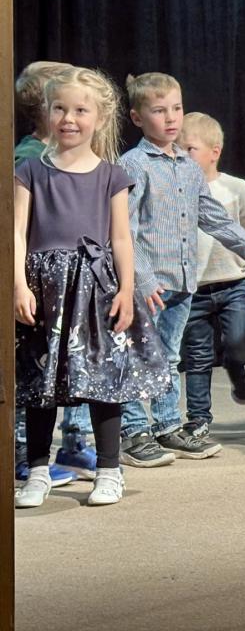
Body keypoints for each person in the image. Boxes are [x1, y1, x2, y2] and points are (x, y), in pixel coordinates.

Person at [14, 67, 169, 507]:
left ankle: (109, 469)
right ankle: (38, 471)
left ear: (99, 118)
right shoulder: (29, 170)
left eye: (80, 110)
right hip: (43, 291)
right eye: (59, 108)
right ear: (46, 112)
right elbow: (17, 233)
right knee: (41, 382)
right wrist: (18, 286)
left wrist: (126, 290)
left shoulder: (110, 175)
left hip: (95, 290)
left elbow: (121, 237)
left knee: (104, 381)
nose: (69, 118)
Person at [119, 73, 245, 466]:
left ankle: (167, 425)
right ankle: (134, 431)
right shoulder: (133, 165)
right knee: (137, 356)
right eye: (159, 110)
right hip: (148, 284)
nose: (171, 118)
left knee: (168, 357)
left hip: (183, 281)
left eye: (177, 108)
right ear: (137, 117)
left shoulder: (188, 164)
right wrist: (141, 278)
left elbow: (210, 213)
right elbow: (123, 229)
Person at [13, 59, 82, 487]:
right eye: (65, 103)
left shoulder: (65, 156)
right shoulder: (29, 158)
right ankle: (24, 455)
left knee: (71, 363)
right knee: (34, 368)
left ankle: (72, 442)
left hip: (67, 276)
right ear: (46, 107)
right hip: (36, 276)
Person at [178, 112, 245, 442]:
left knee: (238, 342)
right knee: (197, 356)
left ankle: (236, 367)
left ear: (214, 151)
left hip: (233, 283)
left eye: (189, 149)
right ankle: (198, 418)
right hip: (193, 289)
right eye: (177, 149)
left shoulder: (235, 188)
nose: (182, 155)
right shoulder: (177, 190)